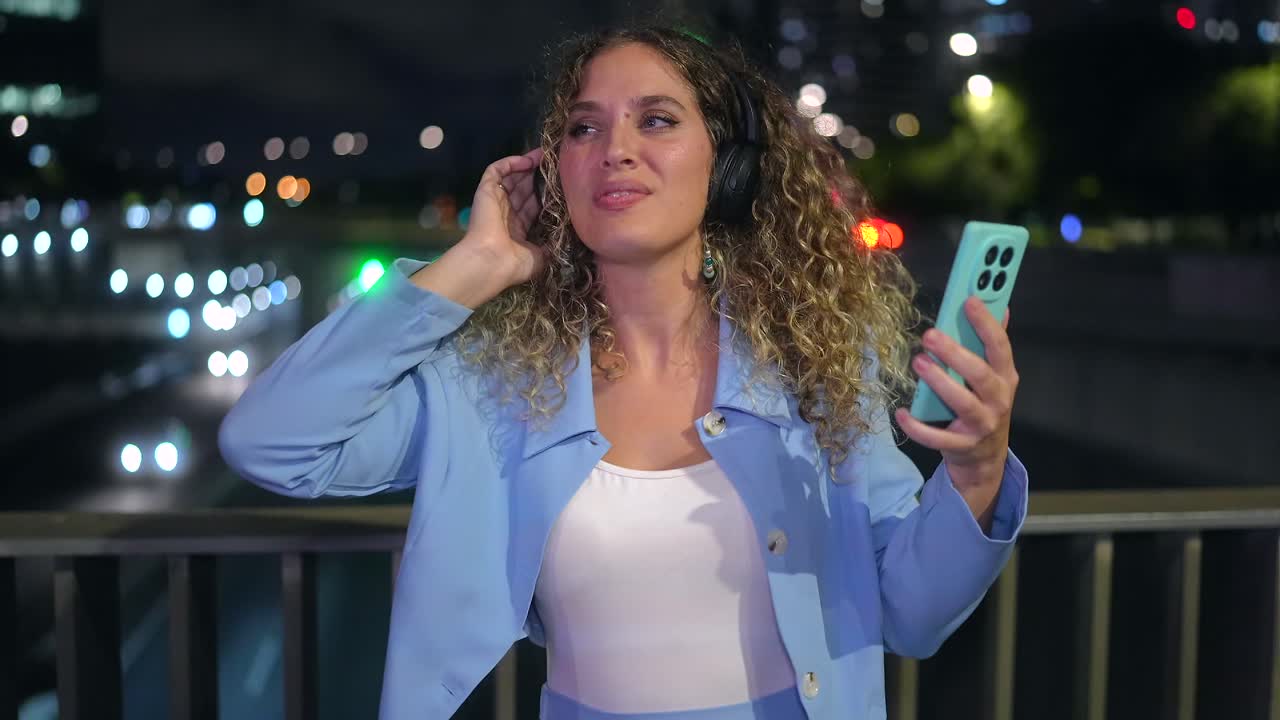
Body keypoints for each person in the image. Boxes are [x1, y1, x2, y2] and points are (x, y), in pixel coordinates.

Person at [219, 25, 1029, 720]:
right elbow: (274, 443)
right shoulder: (493, 384)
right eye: (583, 128)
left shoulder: (814, 369)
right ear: (554, 171)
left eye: (658, 120)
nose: (617, 150)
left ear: (731, 168)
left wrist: (977, 471)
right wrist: (477, 261)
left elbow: (915, 616)